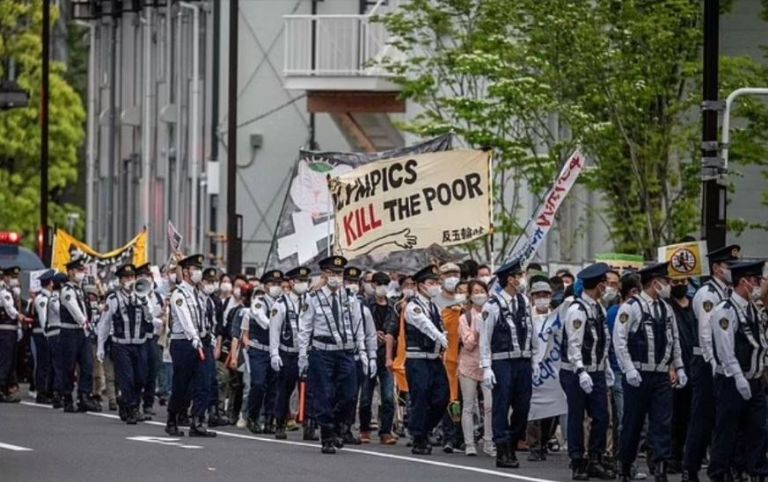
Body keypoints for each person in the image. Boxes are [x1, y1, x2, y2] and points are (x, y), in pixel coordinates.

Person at [613, 262, 687, 482]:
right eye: (666, 281)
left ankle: (660, 467)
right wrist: (628, 369)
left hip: (661, 375)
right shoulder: (632, 307)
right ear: (656, 283)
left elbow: (674, 340)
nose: (669, 286)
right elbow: (619, 340)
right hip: (639, 374)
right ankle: (625, 465)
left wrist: (679, 366)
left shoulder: (666, 308)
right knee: (633, 423)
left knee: (662, 423)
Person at [298, 256, 367, 454]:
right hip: (322, 352)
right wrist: (303, 355)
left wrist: (362, 351)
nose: (337, 277)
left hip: (345, 352)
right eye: (333, 273)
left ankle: (337, 425)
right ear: (325, 275)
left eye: (340, 273)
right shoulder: (313, 298)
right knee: (324, 393)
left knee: (349, 394)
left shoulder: (350, 297)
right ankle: (327, 434)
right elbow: (305, 328)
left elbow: (358, 325)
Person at [683, 245, 740, 482]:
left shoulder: (727, 292)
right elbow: (706, 333)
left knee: (725, 417)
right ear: (716, 268)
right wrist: (714, 364)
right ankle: (690, 467)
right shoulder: (708, 294)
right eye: (729, 265)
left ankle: (722, 466)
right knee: (702, 416)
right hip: (707, 362)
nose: (732, 270)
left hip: (724, 361)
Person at [707, 260, 767, 482]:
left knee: (758, 429)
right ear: (744, 282)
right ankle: (719, 472)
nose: (758, 286)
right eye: (755, 281)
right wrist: (739, 378)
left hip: (755, 379)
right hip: (732, 380)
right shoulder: (725, 310)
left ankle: (756, 471)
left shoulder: (753, 309)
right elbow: (726, 350)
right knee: (727, 430)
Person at [480, 259, 540, 469]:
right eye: (518, 276)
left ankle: (512, 441)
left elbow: (532, 331)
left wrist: (535, 360)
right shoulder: (492, 305)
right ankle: (503, 448)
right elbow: (485, 338)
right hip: (502, 361)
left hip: (523, 361)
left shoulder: (524, 301)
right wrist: (486, 367)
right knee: (501, 404)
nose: (521, 279)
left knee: (523, 406)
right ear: (510, 279)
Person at [560, 263, 614, 480]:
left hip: (597, 370)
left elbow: (603, 340)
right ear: (598, 285)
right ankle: (577, 461)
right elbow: (574, 344)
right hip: (576, 372)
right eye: (605, 283)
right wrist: (581, 370)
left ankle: (595, 458)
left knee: (601, 416)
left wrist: (605, 366)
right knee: (577, 416)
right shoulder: (577, 310)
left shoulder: (598, 308)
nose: (607, 288)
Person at [165, 254, 216, 438]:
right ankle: (172, 418)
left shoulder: (200, 294)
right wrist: (194, 337)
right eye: (195, 269)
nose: (199, 272)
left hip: (202, 341)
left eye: (200, 269)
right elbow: (185, 318)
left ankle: (198, 422)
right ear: (186, 272)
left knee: (204, 383)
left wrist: (208, 335)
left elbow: (205, 316)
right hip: (184, 343)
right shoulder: (179, 294)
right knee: (182, 384)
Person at [403, 264, 449, 455]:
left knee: (442, 397)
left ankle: (423, 429)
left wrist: (443, 339)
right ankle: (419, 437)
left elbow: (440, 326)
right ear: (421, 285)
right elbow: (426, 325)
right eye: (432, 282)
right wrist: (442, 338)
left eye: (437, 282)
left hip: (434, 359)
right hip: (418, 359)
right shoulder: (413, 307)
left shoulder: (434, 306)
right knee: (420, 398)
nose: (436, 286)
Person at [97, 263, 150, 424]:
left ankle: (128, 403)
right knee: (127, 378)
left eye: (132, 277)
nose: (130, 280)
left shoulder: (143, 295)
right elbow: (104, 323)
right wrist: (100, 346)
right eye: (126, 277)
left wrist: (144, 301)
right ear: (120, 280)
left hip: (140, 344)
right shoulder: (113, 298)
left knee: (140, 378)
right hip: (121, 345)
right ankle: (132, 408)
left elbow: (150, 317)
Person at [359, 271, 399, 445]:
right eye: (379, 284)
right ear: (373, 285)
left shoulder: (393, 306)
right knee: (366, 396)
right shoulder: (365, 305)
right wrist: (373, 333)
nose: (383, 287)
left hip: (387, 354)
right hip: (369, 353)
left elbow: (395, 327)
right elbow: (360, 325)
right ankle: (364, 429)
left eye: (385, 284)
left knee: (388, 396)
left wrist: (388, 335)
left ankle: (386, 431)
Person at [270, 266, 309, 439]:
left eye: (306, 281)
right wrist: (274, 353)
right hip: (287, 352)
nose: (303, 284)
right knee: (284, 390)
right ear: (292, 282)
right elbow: (274, 330)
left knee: (310, 390)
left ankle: (309, 425)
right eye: (300, 281)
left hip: (305, 353)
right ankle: (280, 423)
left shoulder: (309, 302)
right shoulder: (281, 304)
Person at [243, 269, 283, 434]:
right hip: (259, 350)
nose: (276, 287)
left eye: (278, 284)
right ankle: (252, 417)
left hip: (276, 350)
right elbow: (263, 321)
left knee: (274, 387)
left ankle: (269, 420)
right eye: (273, 283)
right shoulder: (258, 302)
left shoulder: (283, 303)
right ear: (265, 286)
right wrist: (278, 327)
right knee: (258, 384)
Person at [59, 257, 100, 413]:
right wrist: (85, 322)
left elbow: (86, 308)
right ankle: (67, 398)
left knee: (88, 365)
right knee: (69, 367)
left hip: (82, 332)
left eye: (83, 270)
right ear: (70, 272)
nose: (82, 273)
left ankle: (84, 396)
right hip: (69, 331)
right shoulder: (67, 290)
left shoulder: (81, 290)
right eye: (79, 270)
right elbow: (74, 309)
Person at [526, 274, 559, 463]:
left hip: (552, 369)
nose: (541, 298)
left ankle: (545, 441)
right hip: (532, 367)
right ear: (532, 297)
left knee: (551, 412)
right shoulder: (527, 317)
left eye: (545, 295)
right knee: (534, 410)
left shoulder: (557, 318)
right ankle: (534, 446)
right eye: (538, 295)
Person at [458, 279, 493, 457]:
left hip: (488, 365)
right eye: (476, 292)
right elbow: (468, 344)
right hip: (469, 365)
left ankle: (489, 441)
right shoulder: (465, 318)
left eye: (482, 291)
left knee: (489, 405)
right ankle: (469, 443)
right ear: (470, 296)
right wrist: (477, 330)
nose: (480, 295)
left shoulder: (492, 312)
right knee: (468, 405)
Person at [667, 275, 695, 475]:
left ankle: (687, 456)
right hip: (675, 366)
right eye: (675, 282)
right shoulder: (667, 306)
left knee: (690, 415)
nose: (680, 285)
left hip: (695, 366)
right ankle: (672, 457)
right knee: (672, 416)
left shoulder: (695, 305)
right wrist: (672, 366)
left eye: (683, 281)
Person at [200, 268, 223, 426]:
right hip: (198, 341)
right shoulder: (197, 298)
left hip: (212, 341)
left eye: (214, 282)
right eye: (208, 281)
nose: (211, 285)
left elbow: (219, 326)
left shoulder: (216, 301)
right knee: (197, 379)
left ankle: (213, 411)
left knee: (212, 379)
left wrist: (218, 346)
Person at [0, 266, 26, 403]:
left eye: (16, 277)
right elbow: (10, 309)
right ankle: (1, 388)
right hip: (5, 330)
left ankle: (6, 388)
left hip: (12, 330)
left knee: (10, 361)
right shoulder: (4, 292)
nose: (15, 280)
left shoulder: (12, 292)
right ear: (5, 277)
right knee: (5, 360)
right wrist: (19, 315)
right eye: (12, 277)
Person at [32, 270, 56, 404]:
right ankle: (41, 392)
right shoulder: (42, 299)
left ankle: (49, 391)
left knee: (50, 363)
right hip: (42, 335)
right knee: (44, 364)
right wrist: (47, 335)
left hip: (47, 335)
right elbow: (43, 319)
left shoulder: (50, 297)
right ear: (50, 283)